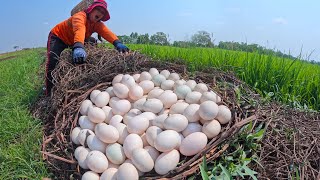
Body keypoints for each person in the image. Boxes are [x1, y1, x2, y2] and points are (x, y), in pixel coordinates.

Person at [45, 0, 129, 96]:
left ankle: (88, 71)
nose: (100, 13)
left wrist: (117, 43)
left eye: (103, 12)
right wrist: (78, 47)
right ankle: (49, 92)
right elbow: (79, 30)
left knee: (92, 42)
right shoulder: (79, 16)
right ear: (91, 9)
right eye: (98, 9)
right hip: (59, 37)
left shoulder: (97, 24)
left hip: (74, 40)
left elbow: (106, 32)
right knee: (52, 61)